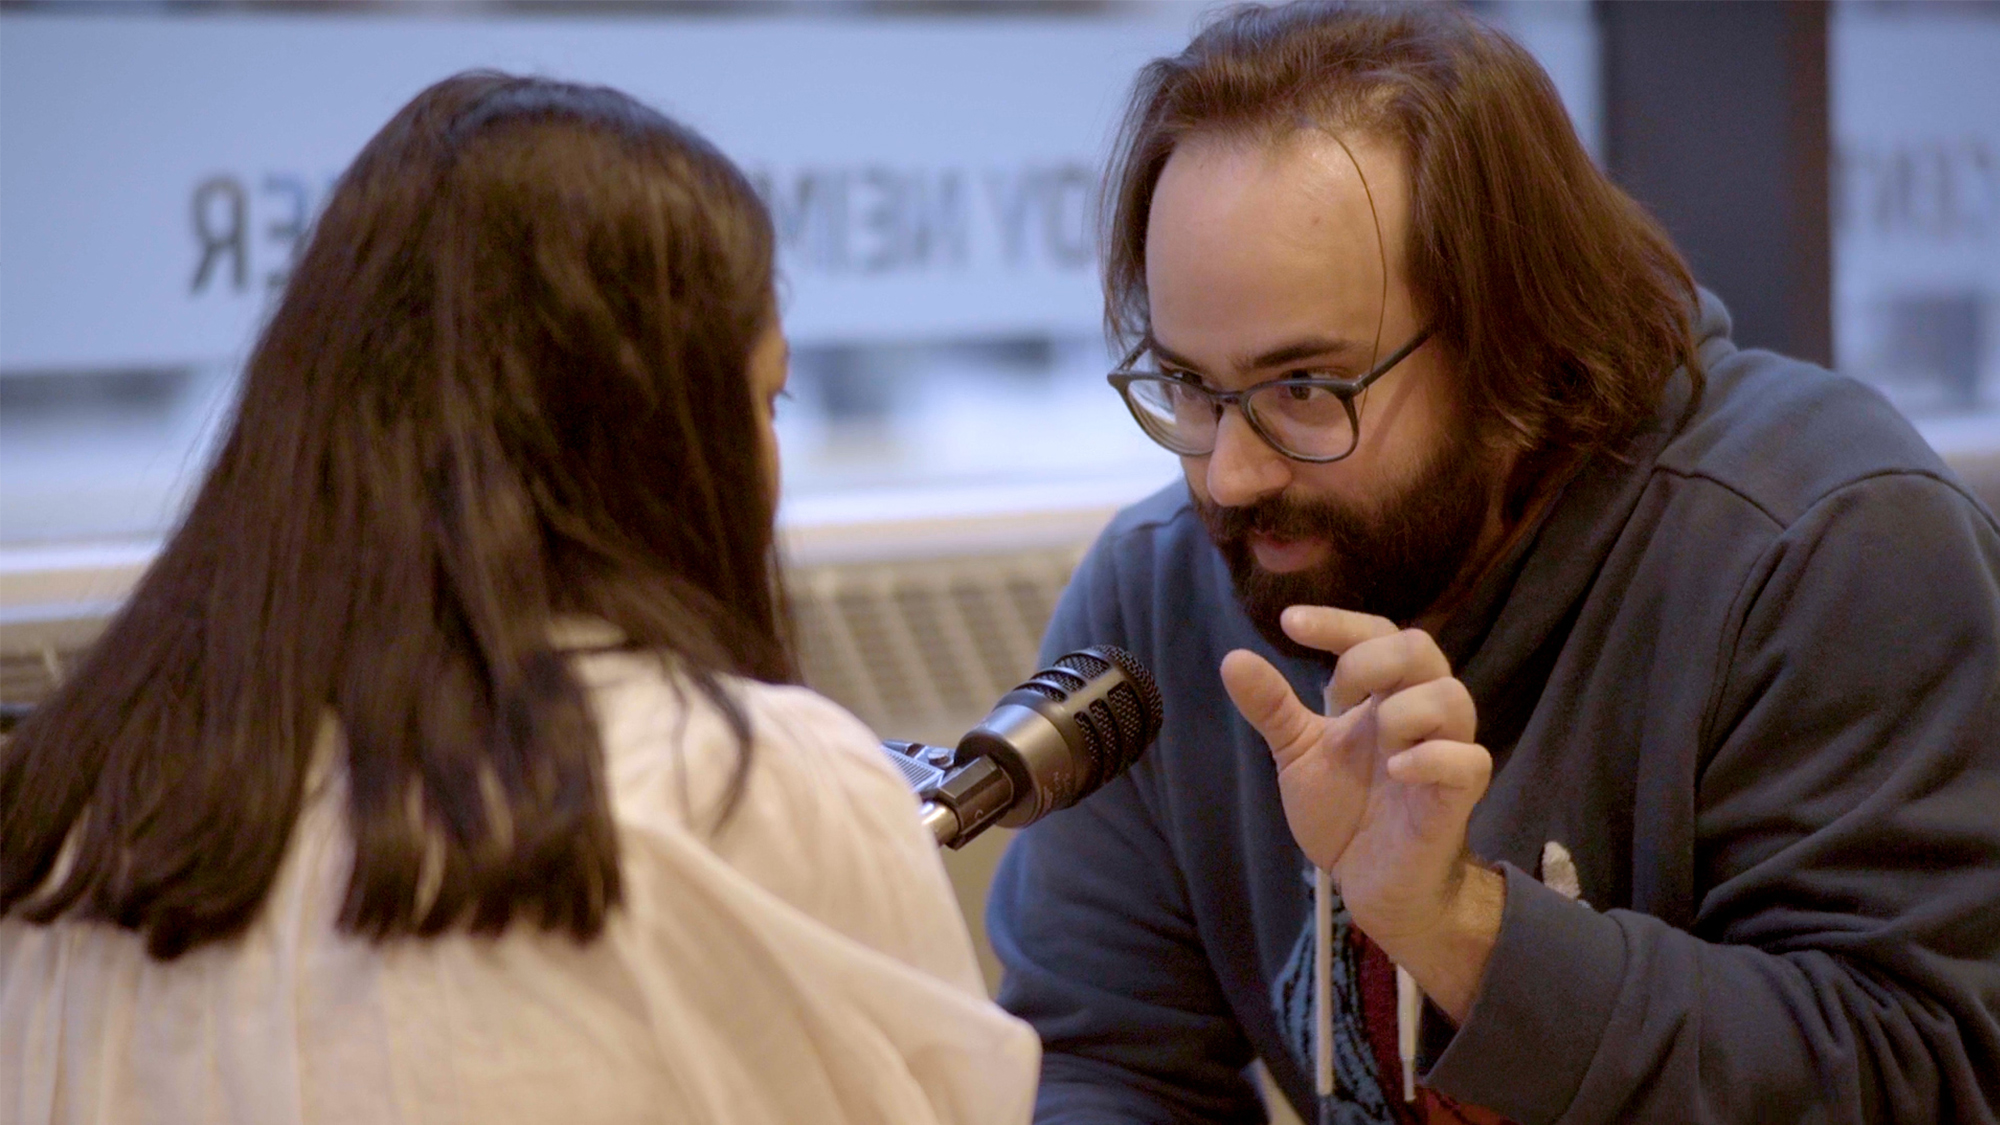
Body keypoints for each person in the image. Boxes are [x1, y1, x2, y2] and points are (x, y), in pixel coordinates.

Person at [986, 5, 2000, 1124]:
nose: (1225, 478)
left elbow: (1923, 1070)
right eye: (1186, 386)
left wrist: (1457, 926)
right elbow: (1105, 1066)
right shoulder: (1158, 592)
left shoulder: (1821, 543)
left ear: (1515, 347)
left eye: (1304, 392)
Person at [0, 72, 1037, 1125]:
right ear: (650, 440)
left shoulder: (68, 815)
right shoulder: (746, 788)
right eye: (764, 399)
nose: (768, 466)